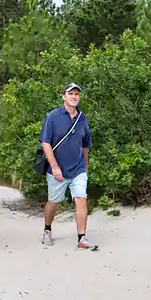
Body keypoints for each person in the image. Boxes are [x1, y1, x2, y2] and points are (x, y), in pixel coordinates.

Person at [38, 82, 94, 249]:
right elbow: (45, 143)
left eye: (76, 94)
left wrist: (85, 166)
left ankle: (82, 238)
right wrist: (54, 166)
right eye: (70, 94)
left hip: (78, 169)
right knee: (53, 201)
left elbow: (85, 145)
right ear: (64, 96)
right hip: (57, 170)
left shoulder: (82, 119)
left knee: (81, 199)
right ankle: (47, 230)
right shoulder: (53, 117)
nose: (74, 97)